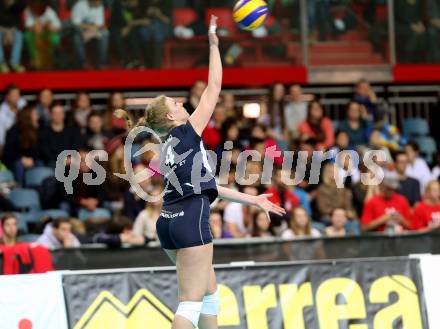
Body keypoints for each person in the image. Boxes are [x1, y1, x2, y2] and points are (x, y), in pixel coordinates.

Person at [115, 16, 285, 329]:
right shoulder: (188, 130)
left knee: (209, 293)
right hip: (191, 219)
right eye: (175, 102)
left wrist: (255, 200)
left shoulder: (168, 148)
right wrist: (214, 44)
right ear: (171, 115)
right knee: (190, 302)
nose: (181, 102)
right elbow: (215, 87)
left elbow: (210, 187)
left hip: (169, 225)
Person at [3, 105, 42, 185]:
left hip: (31, 159)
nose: (38, 117)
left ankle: (39, 188)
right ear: (28, 117)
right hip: (15, 160)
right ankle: (19, 188)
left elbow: (39, 150)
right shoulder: (13, 131)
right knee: (18, 165)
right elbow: (9, 152)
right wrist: (21, 159)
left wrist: (32, 159)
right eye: (35, 114)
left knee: (40, 163)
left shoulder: (37, 130)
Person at [39, 102, 83, 167]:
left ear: (64, 115)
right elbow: (46, 152)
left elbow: (77, 147)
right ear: (51, 115)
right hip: (53, 163)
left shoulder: (73, 130)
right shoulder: (44, 132)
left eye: (60, 113)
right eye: (55, 113)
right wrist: (61, 160)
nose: (58, 116)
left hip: (71, 161)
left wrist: (70, 159)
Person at [23, 0, 61, 70]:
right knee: (28, 36)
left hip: (47, 34)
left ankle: (50, 61)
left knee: (54, 38)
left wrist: (48, 27)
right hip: (34, 35)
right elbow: (27, 26)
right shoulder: (29, 11)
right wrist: (36, 27)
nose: (38, 5)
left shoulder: (49, 11)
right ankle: (34, 61)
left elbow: (58, 27)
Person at [71, 0, 109, 69]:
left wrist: (90, 33)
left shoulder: (99, 6)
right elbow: (76, 23)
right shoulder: (79, 5)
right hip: (80, 28)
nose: (100, 3)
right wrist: (86, 31)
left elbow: (99, 24)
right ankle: (82, 63)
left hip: (94, 28)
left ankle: (101, 64)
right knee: (77, 38)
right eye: (98, 1)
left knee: (105, 34)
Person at [0, 0, 25, 73]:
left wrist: (12, 3)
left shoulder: (17, 4)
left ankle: (15, 63)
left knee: (19, 35)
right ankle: (1, 63)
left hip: (13, 30)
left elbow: (23, 6)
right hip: (0, 29)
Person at [0, 84, 27, 151]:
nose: (17, 98)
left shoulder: (23, 103)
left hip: (26, 140)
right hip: (11, 145)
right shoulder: (1, 114)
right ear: (7, 97)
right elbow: (1, 139)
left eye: (18, 95)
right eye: (14, 95)